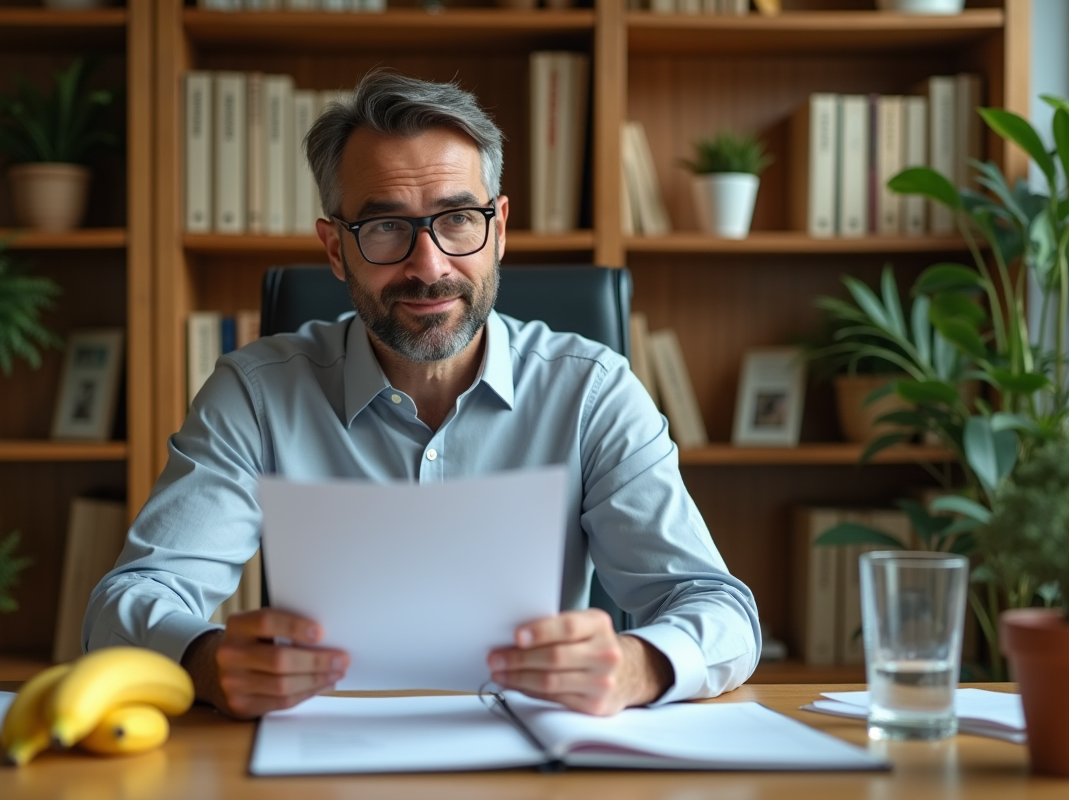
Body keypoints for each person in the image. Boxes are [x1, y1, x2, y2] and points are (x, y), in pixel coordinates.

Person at [84, 70, 760, 719]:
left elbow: (718, 609)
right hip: (320, 762)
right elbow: (126, 604)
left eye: (457, 219)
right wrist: (204, 658)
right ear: (334, 249)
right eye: (384, 228)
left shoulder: (593, 389)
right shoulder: (255, 394)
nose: (429, 266)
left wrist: (641, 664)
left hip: (538, 761)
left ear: (498, 228)